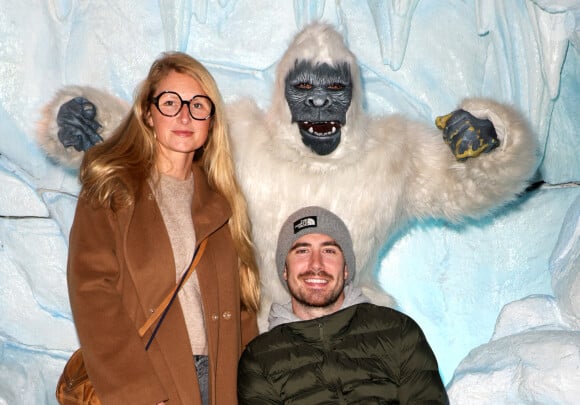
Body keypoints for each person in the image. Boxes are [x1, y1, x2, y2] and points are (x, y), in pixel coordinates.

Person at [67, 51, 260, 405]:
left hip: (219, 383)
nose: (185, 115)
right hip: (148, 379)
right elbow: (92, 295)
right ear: (148, 113)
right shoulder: (111, 189)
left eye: (198, 105)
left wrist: (250, 391)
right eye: (171, 102)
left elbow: (242, 309)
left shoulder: (223, 201)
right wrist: (137, 393)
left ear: (211, 120)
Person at [237, 206, 449, 404]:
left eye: (329, 251)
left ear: (346, 268)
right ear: (284, 270)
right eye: (302, 251)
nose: (316, 264)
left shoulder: (398, 331)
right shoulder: (260, 359)